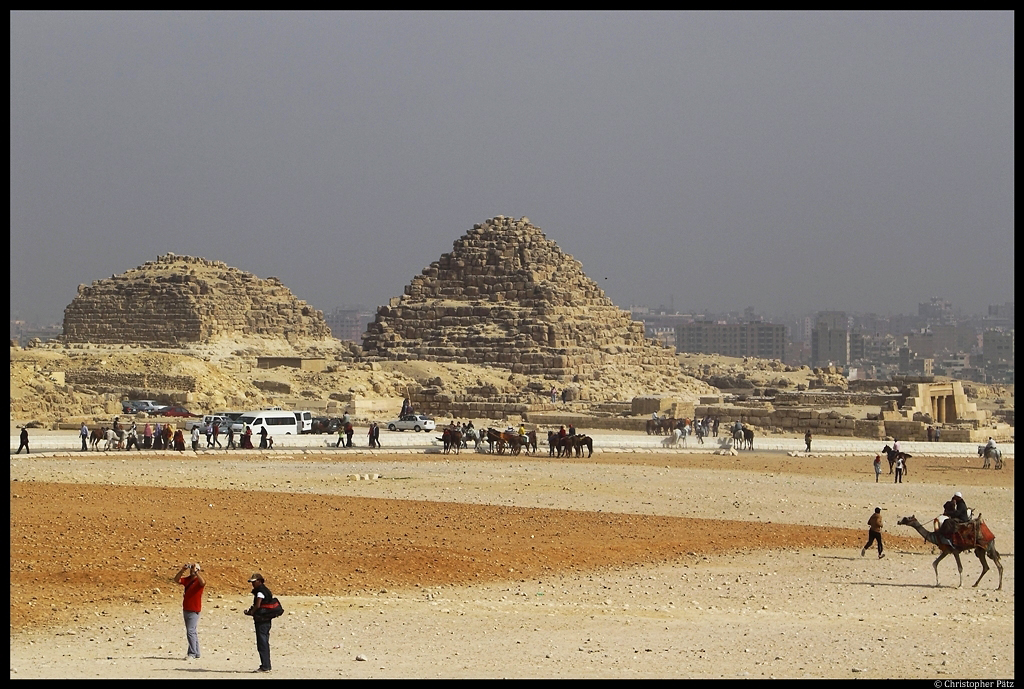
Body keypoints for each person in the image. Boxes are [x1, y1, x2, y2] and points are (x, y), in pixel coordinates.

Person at [174, 562, 206, 660]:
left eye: (194, 568)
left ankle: (192, 653)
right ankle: (196, 652)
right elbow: (176, 580)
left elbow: (203, 583)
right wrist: (183, 570)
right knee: (193, 631)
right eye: (191, 569)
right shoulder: (187, 580)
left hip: (194, 609)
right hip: (186, 608)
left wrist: (196, 573)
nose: (192, 570)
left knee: (190, 631)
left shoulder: (198, 581)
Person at [245, 572, 274, 672]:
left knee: (262, 643)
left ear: (260, 581)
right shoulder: (266, 591)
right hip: (266, 619)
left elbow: (258, 605)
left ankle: (265, 666)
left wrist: (251, 612)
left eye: (254, 582)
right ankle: (266, 665)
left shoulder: (260, 592)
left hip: (262, 620)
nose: (252, 584)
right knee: (264, 641)